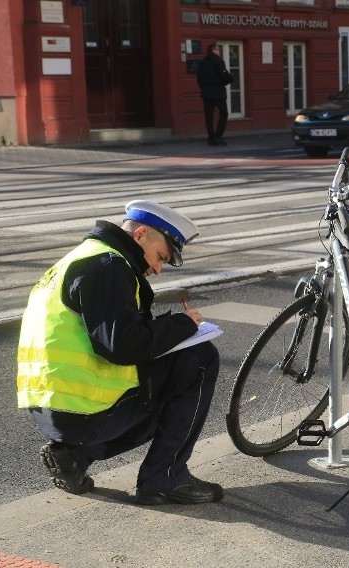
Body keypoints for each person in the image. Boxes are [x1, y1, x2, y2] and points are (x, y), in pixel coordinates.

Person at [16, 200, 224, 506]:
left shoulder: (84, 258)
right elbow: (124, 346)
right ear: (140, 235)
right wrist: (181, 326)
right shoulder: (108, 268)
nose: (157, 269)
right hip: (84, 409)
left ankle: (75, 456)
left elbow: (110, 334)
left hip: (57, 406)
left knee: (168, 378)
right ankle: (165, 479)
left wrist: (167, 328)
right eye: (160, 257)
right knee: (199, 359)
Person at [197, 44, 231, 146]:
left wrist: (204, 88)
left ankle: (211, 138)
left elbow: (199, 78)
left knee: (209, 116)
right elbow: (223, 76)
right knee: (224, 113)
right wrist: (229, 79)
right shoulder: (218, 60)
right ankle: (218, 135)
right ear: (213, 50)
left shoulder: (203, 62)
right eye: (217, 49)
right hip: (218, 92)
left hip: (206, 93)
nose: (219, 51)